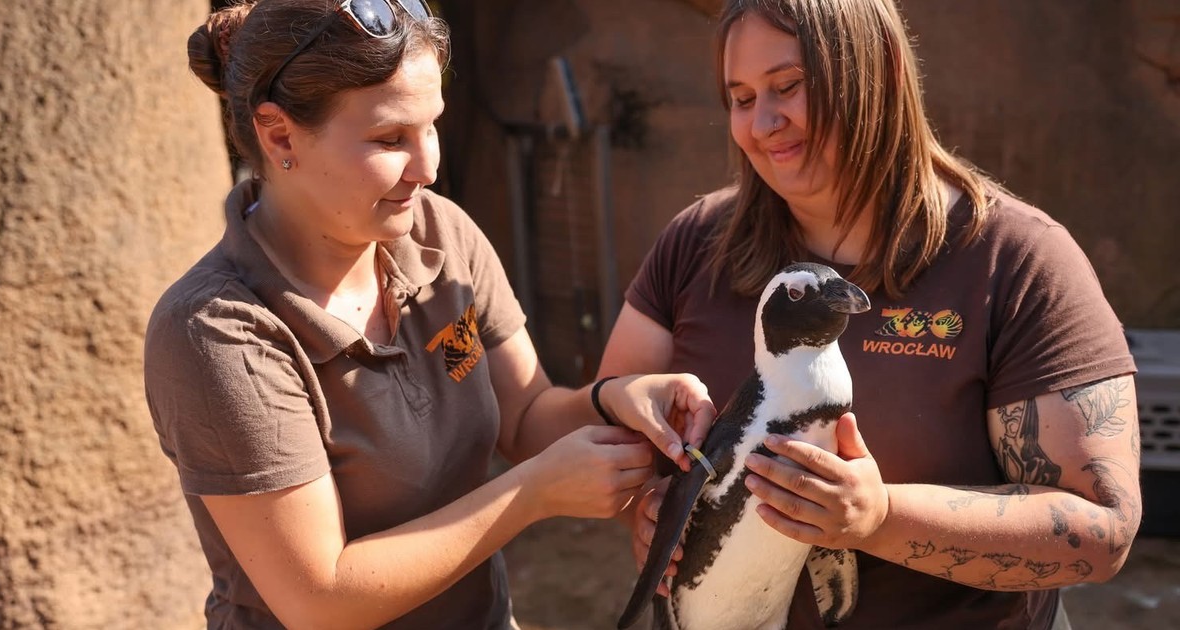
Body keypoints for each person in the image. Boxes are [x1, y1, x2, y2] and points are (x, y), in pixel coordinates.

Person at [143, 1, 716, 628]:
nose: (429, 167)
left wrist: (616, 402)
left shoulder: (440, 234)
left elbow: (526, 418)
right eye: (390, 139)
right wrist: (531, 494)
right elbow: (319, 597)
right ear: (280, 135)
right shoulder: (217, 331)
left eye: (432, 126)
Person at [603, 1, 1141, 628]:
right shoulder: (697, 243)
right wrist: (646, 503)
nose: (764, 122)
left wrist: (878, 519)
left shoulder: (1014, 261)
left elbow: (1102, 528)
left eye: (789, 86)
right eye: (741, 98)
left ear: (878, 70)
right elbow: (600, 425)